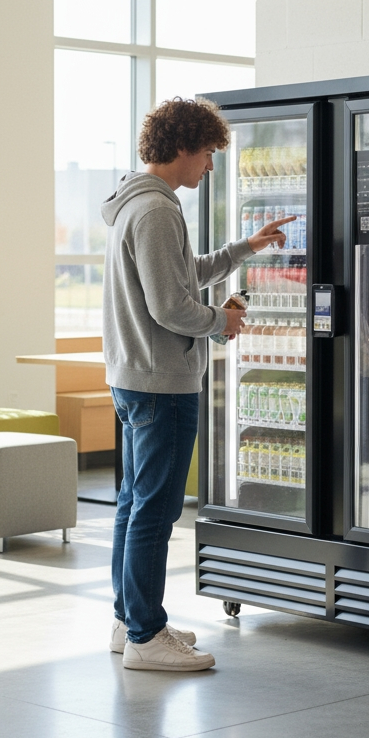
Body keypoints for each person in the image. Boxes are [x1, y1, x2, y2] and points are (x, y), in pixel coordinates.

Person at [101, 97, 294, 672]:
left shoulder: (137, 202)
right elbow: (170, 306)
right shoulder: (157, 211)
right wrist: (220, 322)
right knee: (155, 512)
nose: (210, 166)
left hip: (135, 376)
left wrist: (245, 248)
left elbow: (181, 276)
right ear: (182, 146)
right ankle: (145, 637)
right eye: (208, 152)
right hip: (162, 381)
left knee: (134, 505)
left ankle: (130, 621)